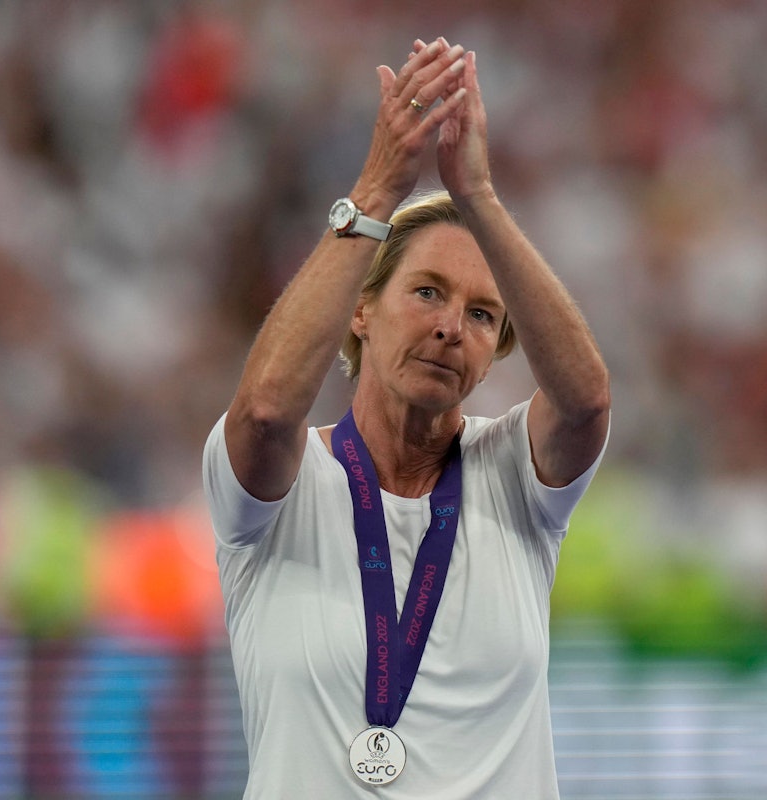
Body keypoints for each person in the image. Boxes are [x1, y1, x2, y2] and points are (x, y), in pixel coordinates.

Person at [202, 36, 610, 798]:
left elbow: (585, 401)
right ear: (359, 309)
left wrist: (479, 197)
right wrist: (379, 189)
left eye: (483, 315)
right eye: (426, 292)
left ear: (493, 353)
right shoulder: (282, 488)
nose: (452, 326)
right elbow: (261, 412)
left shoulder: (515, 479)